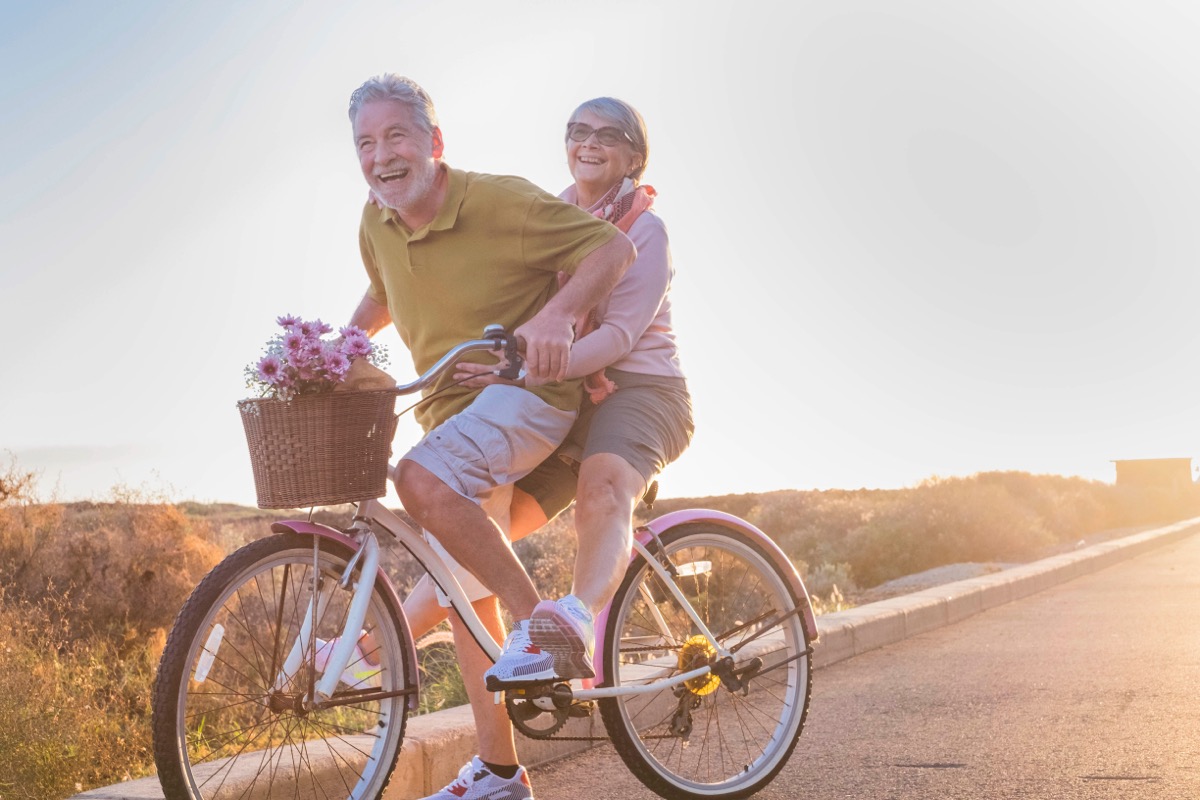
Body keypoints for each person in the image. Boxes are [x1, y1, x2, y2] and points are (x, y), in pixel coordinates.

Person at [344, 75, 635, 800]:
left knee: (418, 478)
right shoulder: (375, 222)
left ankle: (542, 629)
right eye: (366, 143)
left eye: (397, 137)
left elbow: (610, 251)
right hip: (452, 413)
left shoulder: (498, 200)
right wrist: (337, 350)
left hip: (527, 397)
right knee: (464, 593)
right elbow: (383, 293)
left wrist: (560, 317)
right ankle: (502, 771)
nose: (382, 157)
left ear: (434, 144)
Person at [402, 96, 693, 800]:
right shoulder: (556, 211)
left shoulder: (644, 230)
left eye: (608, 135)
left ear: (633, 156)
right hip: (564, 398)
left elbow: (618, 339)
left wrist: (532, 369)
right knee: (473, 538)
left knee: (601, 491)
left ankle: (569, 623)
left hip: (639, 393)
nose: (589, 143)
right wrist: (496, 360)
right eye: (577, 132)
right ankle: (382, 652)